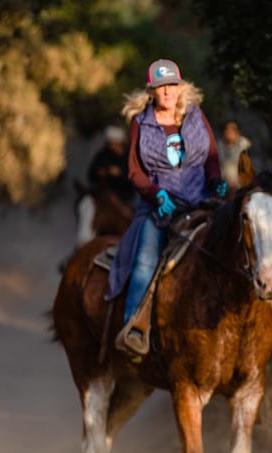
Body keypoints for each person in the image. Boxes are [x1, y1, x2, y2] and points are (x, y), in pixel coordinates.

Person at [106, 58, 227, 356]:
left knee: (236, 244)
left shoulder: (196, 116)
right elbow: (134, 171)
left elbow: (211, 156)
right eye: (161, 87)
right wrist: (156, 194)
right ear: (151, 91)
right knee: (146, 260)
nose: (167, 92)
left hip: (200, 202)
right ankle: (134, 327)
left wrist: (216, 181)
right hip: (159, 208)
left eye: (172, 85)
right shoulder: (141, 124)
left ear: (180, 86)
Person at [216, 119, 252, 193]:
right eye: (227, 129)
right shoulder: (218, 146)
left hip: (240, 188)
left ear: (238, 132)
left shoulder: (245, 146)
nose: (229, 131)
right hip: (222, 188)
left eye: (232, 129)